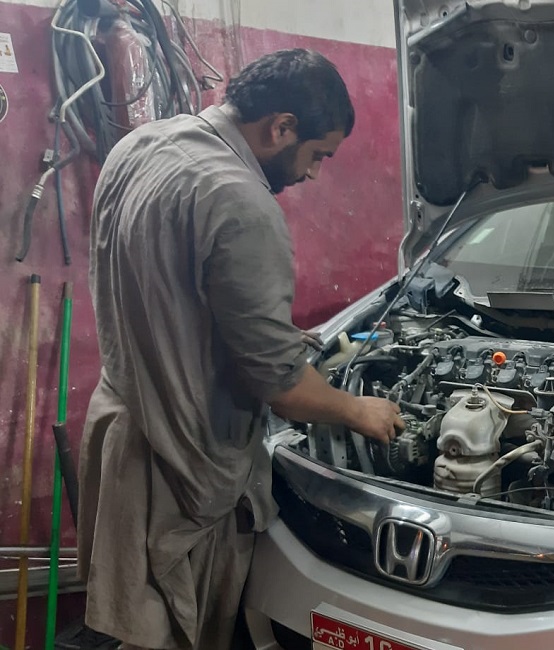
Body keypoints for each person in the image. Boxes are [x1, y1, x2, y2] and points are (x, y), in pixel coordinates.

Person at [77, 49, 404, 650]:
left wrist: (257, 334)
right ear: (282, 127)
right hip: (183, 469)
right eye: (318, 155)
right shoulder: (242, 203)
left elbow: (165, 288)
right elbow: (286, 390)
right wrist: (361, 410)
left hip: (124, 431)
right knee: (179, 632)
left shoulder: (140, 146)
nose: (314, 174)